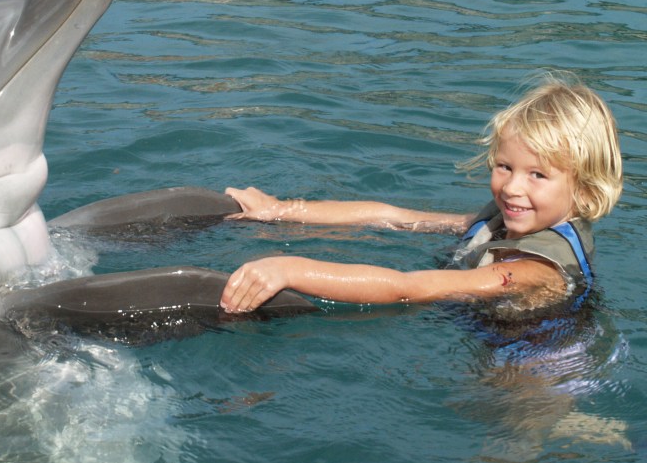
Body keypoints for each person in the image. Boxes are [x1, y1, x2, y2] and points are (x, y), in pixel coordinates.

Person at [219, 76, 622, 314]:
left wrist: (290, 270)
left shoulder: (534, 272)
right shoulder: (507, 222)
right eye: (505, 167)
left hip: (532, 379)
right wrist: (281, 211)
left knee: (503, 456)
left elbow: (407, 286)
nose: (513, 187)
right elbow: (391, 216)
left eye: (537, 175)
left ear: (584, 188)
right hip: (479, 339)